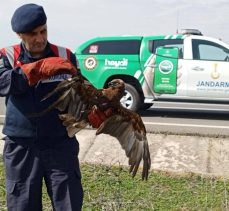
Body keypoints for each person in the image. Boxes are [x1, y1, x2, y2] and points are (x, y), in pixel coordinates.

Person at [0, 3, 83, 211]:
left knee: (69, 203)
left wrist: (94, 110)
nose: (39, 38)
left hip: (60, 145)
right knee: (22, 205)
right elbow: (2, 82)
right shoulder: (7, 55)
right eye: (32, 34)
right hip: (22, 147)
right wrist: (35, 70)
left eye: (43, 31)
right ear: (20, 34)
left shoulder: (65, 55)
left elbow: (82, 91)